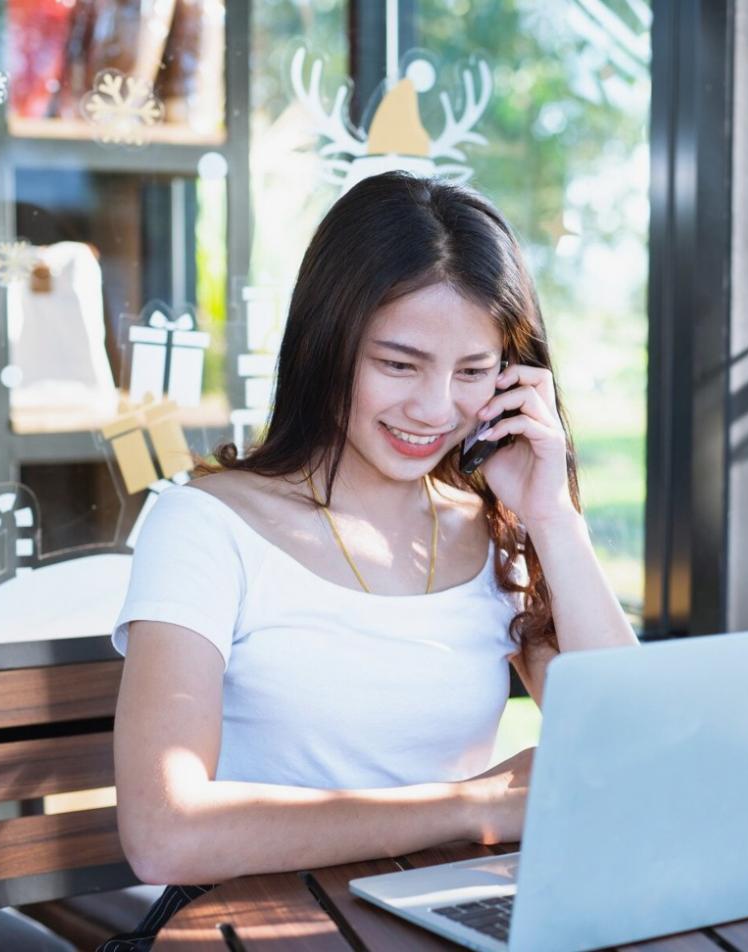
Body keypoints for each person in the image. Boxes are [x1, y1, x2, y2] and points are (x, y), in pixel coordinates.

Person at [104, 172, 636, 948]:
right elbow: (164, 832)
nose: (434, 409)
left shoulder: (496, 533)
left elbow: (630, 749)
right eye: (399, 364)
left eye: (473, 372)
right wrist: (469, 805)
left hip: (439, 921)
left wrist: (552, 517)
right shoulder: (205, 527)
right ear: (329, 346)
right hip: (265, 928)